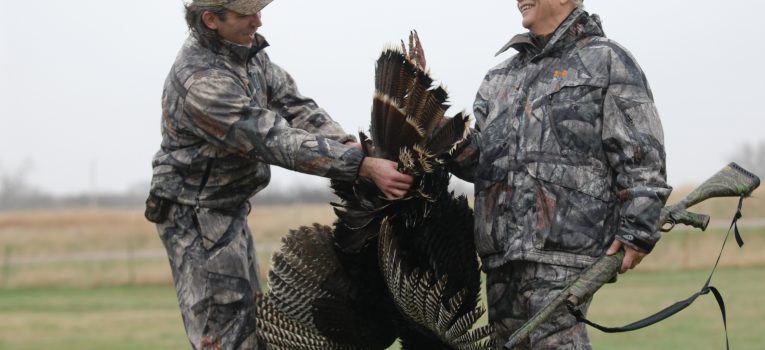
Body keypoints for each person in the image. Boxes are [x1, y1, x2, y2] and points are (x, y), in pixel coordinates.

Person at [144, 0, 413, 348]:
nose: (258, 19)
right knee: (226, 335)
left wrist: (349, 145)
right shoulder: (202, 82)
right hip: (195, 216)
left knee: (251, 329)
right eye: (246, 13)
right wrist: (358, 166)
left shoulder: (248, 56)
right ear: (211, 19)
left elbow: (296, 107)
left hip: (227, 209)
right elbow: (272, 138)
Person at [448, 0, 672, 348]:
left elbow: (640, 152)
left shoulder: (606, 61)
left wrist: (638, 229)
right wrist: (438, 134)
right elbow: (481, 166)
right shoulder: (499, 78)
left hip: (564, 257)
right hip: (501, 260)